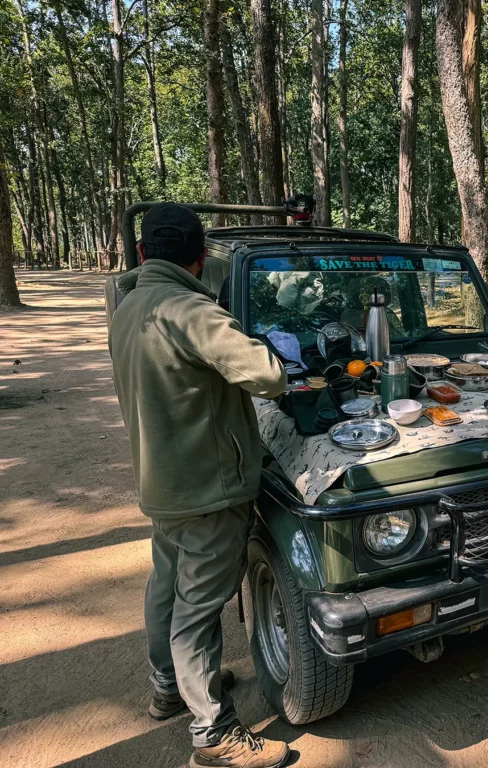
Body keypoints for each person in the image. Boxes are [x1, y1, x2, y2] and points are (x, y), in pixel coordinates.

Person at [108, 203, 291, 768]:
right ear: (201, 256)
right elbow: (269, 374)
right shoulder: (190, 310)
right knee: (199, 608)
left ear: (142, 253)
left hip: (162, 481)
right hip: (209, 488)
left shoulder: (129, 304)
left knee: (167, 585)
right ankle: (213, 736)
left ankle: (167, 687)